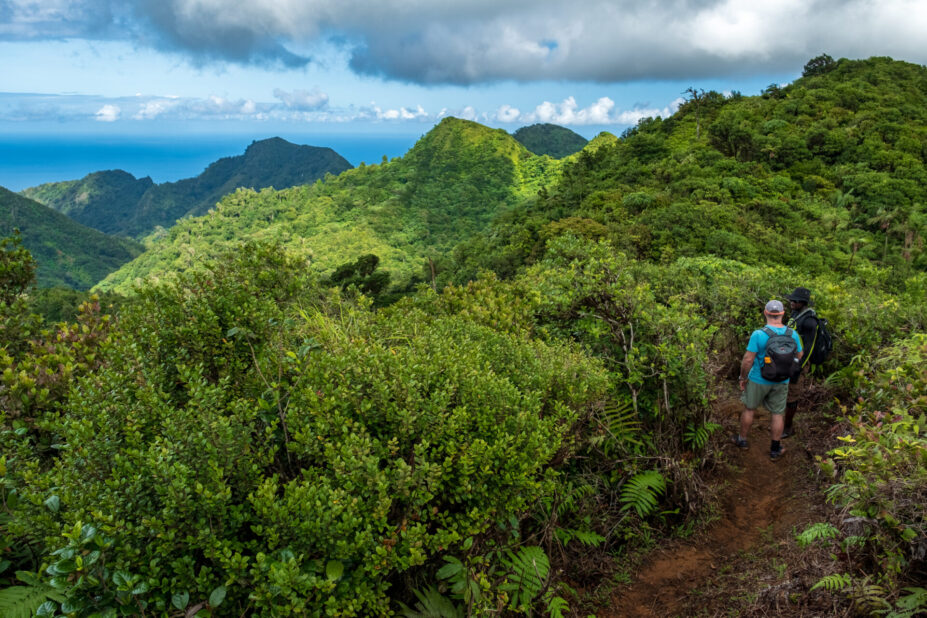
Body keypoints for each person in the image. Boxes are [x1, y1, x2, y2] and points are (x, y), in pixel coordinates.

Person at [733, 300, 803, 461]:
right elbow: (799, 355)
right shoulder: (792, 334)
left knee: (749, 409)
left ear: (765, 313)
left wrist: (742, 377)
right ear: (783, 314)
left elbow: (748, 359)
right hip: (782, 380)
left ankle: (742, 440)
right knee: (778, 414)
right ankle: (774, 450)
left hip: (759, 378)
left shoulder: (759, 334)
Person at [783, 287, 818, 438]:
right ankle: (782, 422)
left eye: (794, 300)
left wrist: (799, 366)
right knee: (784, 390)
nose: (791, 302)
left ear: (802, 303)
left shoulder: (810, 321)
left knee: (792, 394)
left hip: (798, 362)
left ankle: (788, 427)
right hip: (788, 358)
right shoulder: (796, 313)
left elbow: (809, 347)